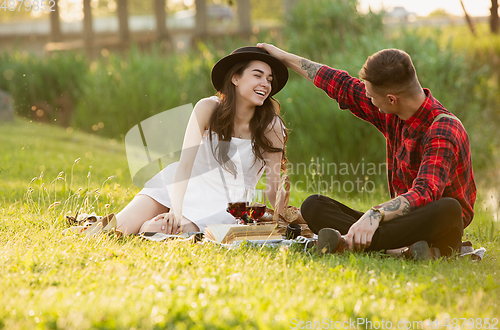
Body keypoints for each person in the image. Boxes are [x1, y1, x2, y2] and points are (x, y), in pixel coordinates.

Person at [257, 43, 476, 258]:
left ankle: (354, 243)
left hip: (434, 228)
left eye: (371, 96)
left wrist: (375, 214)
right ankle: (399, 250)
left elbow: (425, 192)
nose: (368, 98)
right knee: (314, 205)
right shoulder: (395, 112)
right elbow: (341, 85)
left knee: (449, 208)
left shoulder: (443, 129)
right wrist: (283, 57)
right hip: (398, 226)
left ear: (391, 99)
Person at [114, 46, 290, 236]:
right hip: (181, 187)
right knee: (116, 228)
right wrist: (175, 209)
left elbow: (273, 189)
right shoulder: (207, 108)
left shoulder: (271, 126)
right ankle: (162, 215)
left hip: (224, 206)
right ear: (235, 78)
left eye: (269, 80)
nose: (265, 83)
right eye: (258, 75)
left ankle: (156, 223)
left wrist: (284, 212)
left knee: (153, 229)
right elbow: (185, 165)